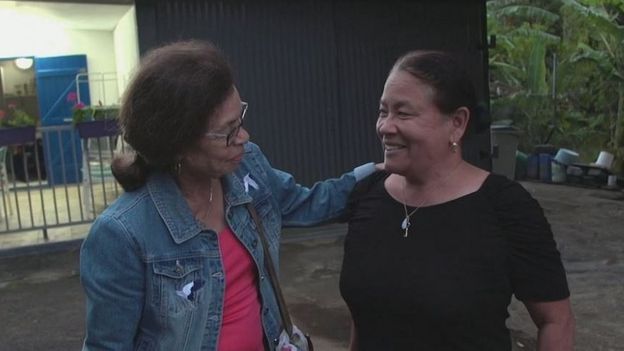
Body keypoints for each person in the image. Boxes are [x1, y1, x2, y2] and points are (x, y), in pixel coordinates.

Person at [79, 40, 375, 351]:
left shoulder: (247, 167)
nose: (243, 138)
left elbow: (308, 204)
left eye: (241, 121)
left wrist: (378, 174)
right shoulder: (121, 234)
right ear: (177, 143)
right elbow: (107, 346)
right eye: (229, 130)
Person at [339, 50, 575, 350]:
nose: (385, 126)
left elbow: (557, 321)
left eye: (403, 113)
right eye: (383, 111)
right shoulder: (367, 195)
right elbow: (365, 318)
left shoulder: (505, 207)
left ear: (457, 123)